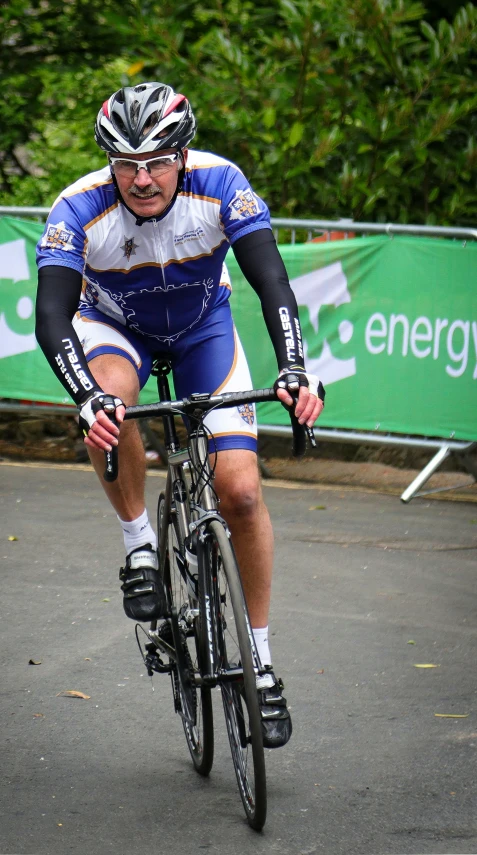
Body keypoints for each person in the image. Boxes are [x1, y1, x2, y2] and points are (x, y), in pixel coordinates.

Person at [35, 82, 325, 749]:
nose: (141, 178)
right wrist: (86, 398)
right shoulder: (76, 207)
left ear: (183, 153)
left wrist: (294, 368)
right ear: (109, 159)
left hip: (203, 331)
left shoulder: (221, 184)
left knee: (242, 492)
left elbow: (272, 281)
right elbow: (51, 317)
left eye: (157, 160)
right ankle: (139, 542)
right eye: (125, 162)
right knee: (111, 394)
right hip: (114, 330)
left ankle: (262, 659)